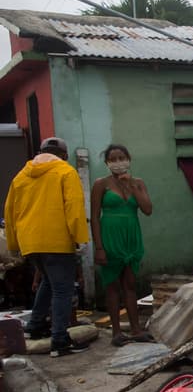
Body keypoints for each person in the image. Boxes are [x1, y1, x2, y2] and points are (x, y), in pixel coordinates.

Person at [4, 137, 91, 356]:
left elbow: (9, 211)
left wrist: (15, 243)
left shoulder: (21, 176)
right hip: (56, 240)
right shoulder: (65, 171)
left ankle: (35, 326)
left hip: (30, 242)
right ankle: (60, 341)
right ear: (63, 154)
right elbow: (73, 206)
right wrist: (80, 237)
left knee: (49, 283)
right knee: (63, 289)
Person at [90, 144, 153, 346]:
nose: (118, 162)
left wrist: (132, 186)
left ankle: (136, 329)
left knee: (131, 284)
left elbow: (147, 209)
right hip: (110, 238)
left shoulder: (138, 183)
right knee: (112, 286)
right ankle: (116, 332)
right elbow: (94, 216)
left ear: (129, 159)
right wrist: (99, 247)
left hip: (131, 237)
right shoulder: (101, 184)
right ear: (107, 163)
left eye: (121, 158)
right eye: (113, 159)